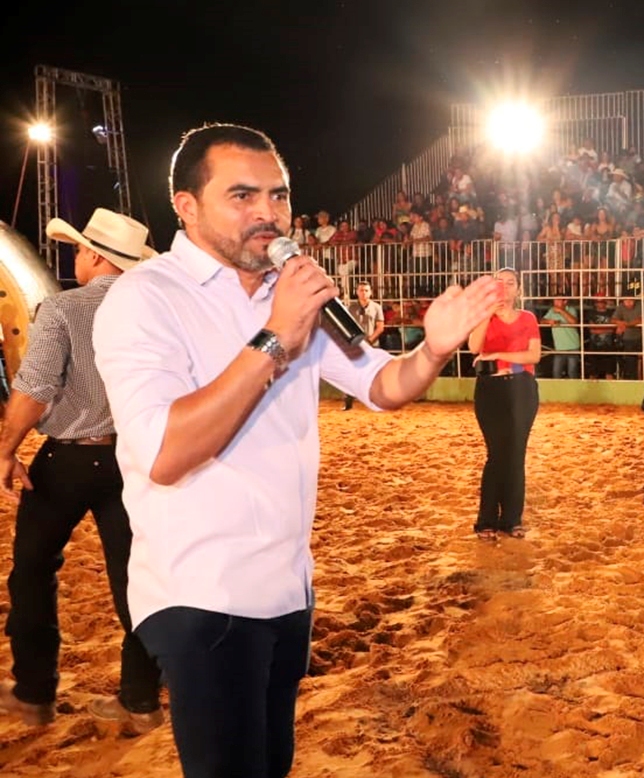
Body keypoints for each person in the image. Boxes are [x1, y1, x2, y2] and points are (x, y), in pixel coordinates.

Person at [91, 123, 503, 778]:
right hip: (202, 597)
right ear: (186, 205)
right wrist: (277, 335)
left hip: (286, 592)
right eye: (243, 196)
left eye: (278, 196)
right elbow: (165, 451)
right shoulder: (146, 299)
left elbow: (381, 384)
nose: (268, 214)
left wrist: (433, 349)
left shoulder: (289, 295)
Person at [0, 209, 163, 734]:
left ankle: (35, 694)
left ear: (94, 255)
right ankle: (140, 701)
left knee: (32, 572)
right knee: (136, 581)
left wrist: (6, 449)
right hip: (134, 458)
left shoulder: (65, 308)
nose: (75, 258)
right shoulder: (156, 311)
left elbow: (35, 387)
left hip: (67, 458)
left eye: (78, 250)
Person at [467, 267, 541, 541]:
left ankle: (511, 519)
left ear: (518, 290)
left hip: (522, 388)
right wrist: (487, 313)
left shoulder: (528, 318)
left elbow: (534, 356)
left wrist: (497, 353)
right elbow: (474, 347)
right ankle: (487, 519)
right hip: (490, 389)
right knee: (496, 454)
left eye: (511, 283)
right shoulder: (482, 317)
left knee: (515, 454)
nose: (505, 287)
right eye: (500, 283)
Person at [342, 280, 385, 410]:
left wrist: (370, 340)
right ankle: (348, 401)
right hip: (356, 344)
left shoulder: (377, 307)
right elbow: (346, 325)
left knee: (374, 373)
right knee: (351, 372)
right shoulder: (351, 307)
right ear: (357, 292)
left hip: (372, 344)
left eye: (366, 290)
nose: (364, 293)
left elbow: (380, 327)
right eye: (361, 290)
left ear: (370, 292)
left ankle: (377, 400)